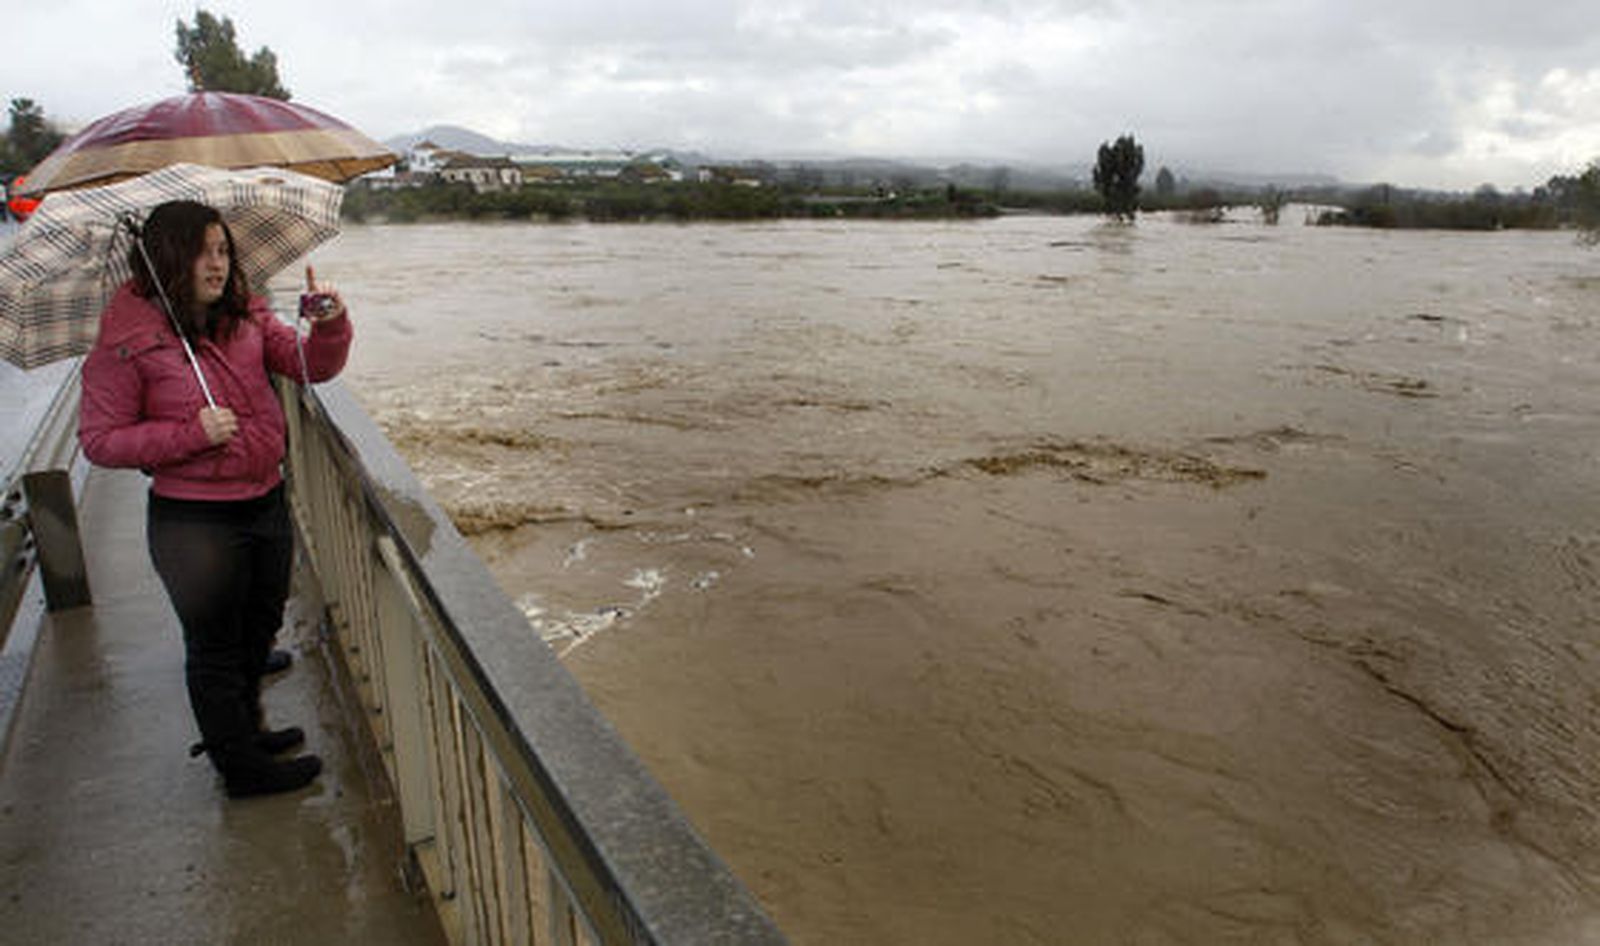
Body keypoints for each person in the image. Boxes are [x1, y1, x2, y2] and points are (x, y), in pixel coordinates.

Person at [78, 200, 353, 798]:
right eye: (203, 252)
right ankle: (241, 767)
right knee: (214, 648)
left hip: (264, 498)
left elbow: (308, 366)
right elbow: (99, 440)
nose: (217, 264)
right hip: (193, 520)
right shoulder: (126, 340)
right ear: (168, 258)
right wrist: (189, 435)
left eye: (224, 250)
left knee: (261, 625)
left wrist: (329, 325)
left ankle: (246, 731)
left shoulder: (246, 314)